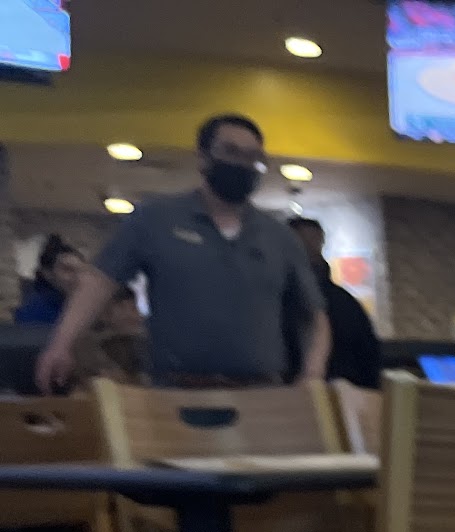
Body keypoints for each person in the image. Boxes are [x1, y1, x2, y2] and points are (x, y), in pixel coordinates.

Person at [36, 113, 328, 393]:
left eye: (252, 157)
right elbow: (100, 282)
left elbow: (314, 315)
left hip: (262, 393)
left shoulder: (279, 237)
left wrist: (312, 375)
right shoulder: (155, 220)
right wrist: (61, 344)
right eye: (230, 151)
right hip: (177, 392)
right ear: (203, 158)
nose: (241, 163)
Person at [287, 216, 383, 389]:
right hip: (346, 395)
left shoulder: (279, 302)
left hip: (293, 394)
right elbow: (370, 362)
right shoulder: (346, 302)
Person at [15, 235, 84, 325]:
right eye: (67, 269)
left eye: (80, 269)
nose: (76, 275)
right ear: (48, 273)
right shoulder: (34, 313)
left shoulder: (87, 302)